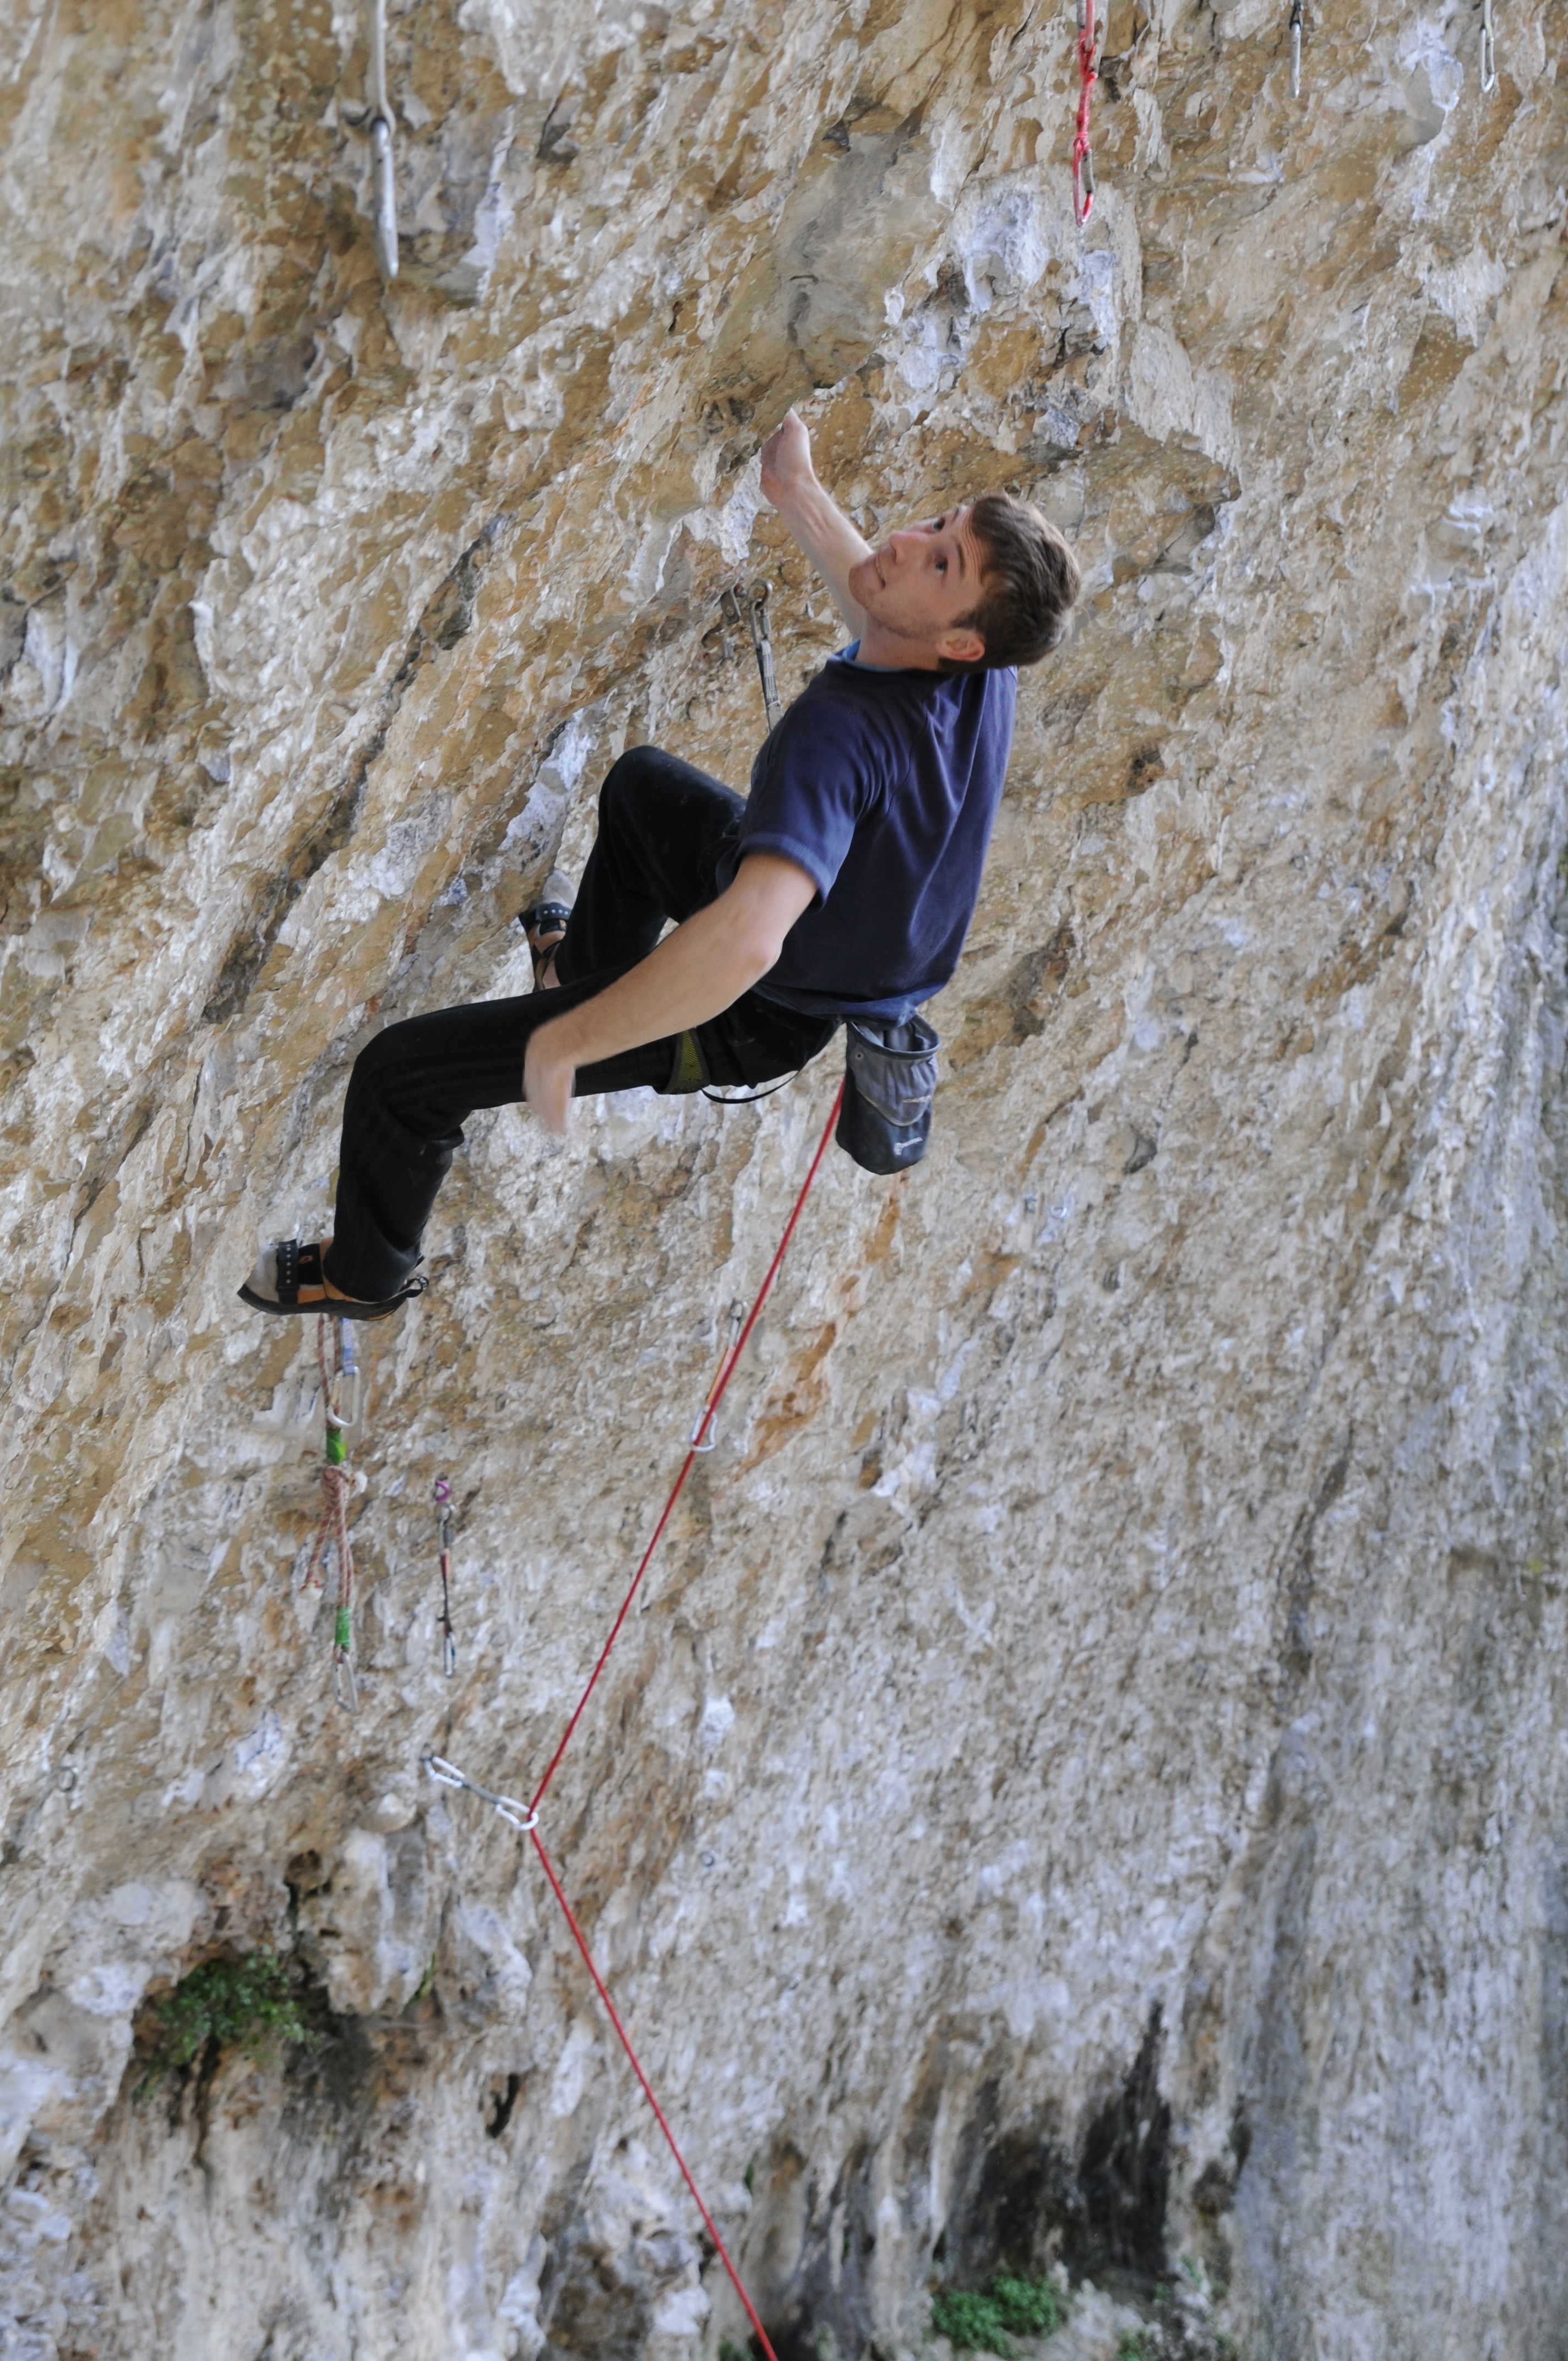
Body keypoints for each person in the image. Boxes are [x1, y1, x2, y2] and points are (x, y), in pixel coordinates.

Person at [239, 410, 1080, 1319]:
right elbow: (885, 607)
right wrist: (794, 489)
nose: (911, 541)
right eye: (940, 526)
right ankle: (574, 974)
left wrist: (568, 1043)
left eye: (943, 561)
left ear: (962, 641)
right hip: (837, 944)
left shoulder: (841, 739)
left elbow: (745, 945)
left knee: (400, 1077)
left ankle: (364, 1274)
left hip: (755, 1009)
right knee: (643, 791)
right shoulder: (984, 668)